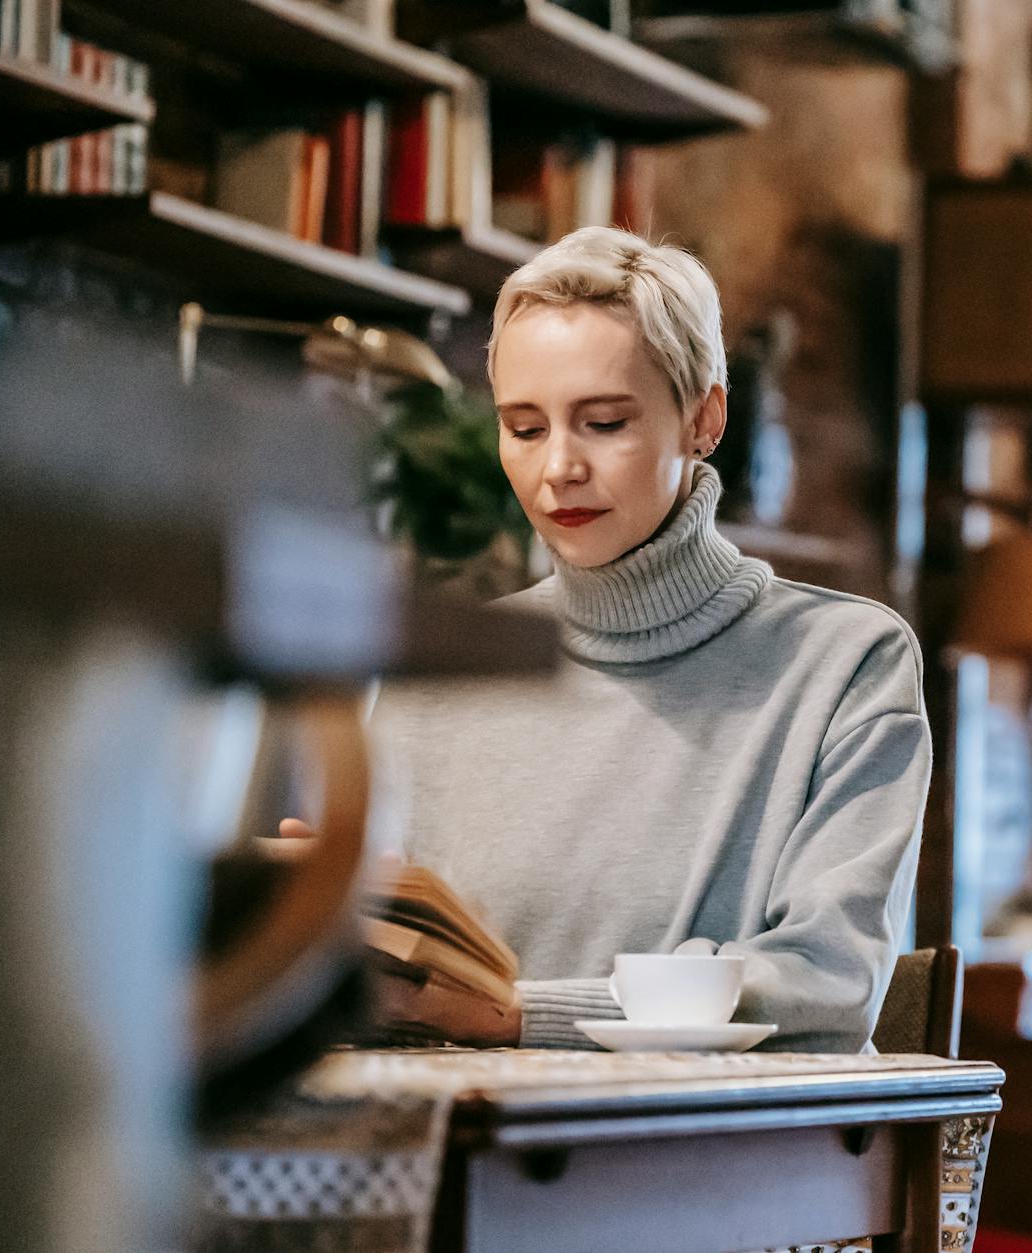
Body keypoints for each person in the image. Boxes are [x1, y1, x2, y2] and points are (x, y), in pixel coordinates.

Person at [297, 226, 930, 1052]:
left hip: (715, 1157)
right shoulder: (443, 670)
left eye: (601, 422)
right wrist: (306, 911)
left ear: (704, 417)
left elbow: (828, 979)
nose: (558, 466)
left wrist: (523, 1017)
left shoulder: (848, 663)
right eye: (524, 429)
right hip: (456, 1139)